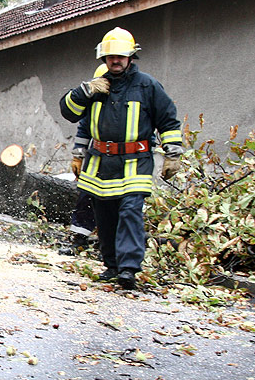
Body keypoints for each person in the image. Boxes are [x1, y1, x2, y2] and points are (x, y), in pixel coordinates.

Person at [59, 27, 182, 289]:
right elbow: (71, 114)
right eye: (110, 56)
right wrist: (85, 91)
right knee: (104, 214)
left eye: (121, 56)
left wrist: (172, 153)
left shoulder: (147, 85)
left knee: (129, 212)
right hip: (100, 161)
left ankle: (128, 269)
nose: (115, 61)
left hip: (135, 161)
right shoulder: (96, 87)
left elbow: (168, 120)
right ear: (103, 58)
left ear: (130, 57)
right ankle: (112, 265)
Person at [63, 64, 108, 255]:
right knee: (86, 198)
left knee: (120, 205)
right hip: (96, 156)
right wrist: (78, 156)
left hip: (124, 159)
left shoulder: (130, 99)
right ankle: (80, 239)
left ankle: (112, 246)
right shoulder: (94, 102)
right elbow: (84, 129)